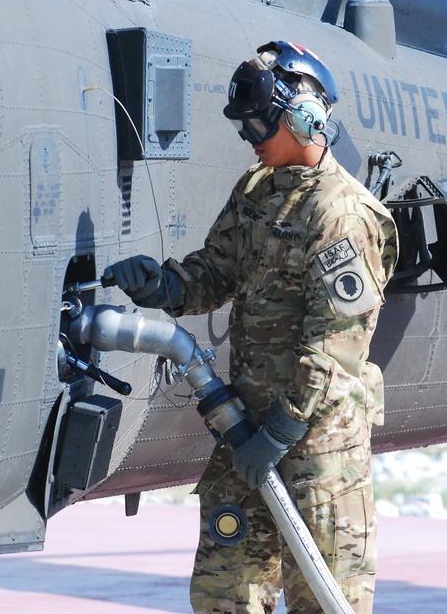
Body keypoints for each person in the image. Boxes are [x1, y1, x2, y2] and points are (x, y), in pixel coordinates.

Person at [103, 40, 397, 614]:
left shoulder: (342, 215)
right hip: (246, 438)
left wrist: (278, 436)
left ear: (304, 115)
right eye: (245, 125)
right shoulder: (257, 191)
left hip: (316, 453)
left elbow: (332, 348)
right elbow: (216, 272)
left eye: (260, 121)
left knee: (323, 599)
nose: (252, 136)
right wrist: (164, 287)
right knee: (223, 595)